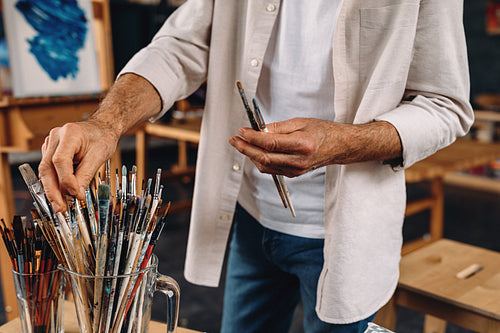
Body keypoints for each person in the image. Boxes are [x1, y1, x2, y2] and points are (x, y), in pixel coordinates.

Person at [39, 0, 474, 332]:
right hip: (249, 216)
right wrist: (105, 124)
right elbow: (180, 47)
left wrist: (341, 143)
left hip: (346, 234)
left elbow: (445, 106)